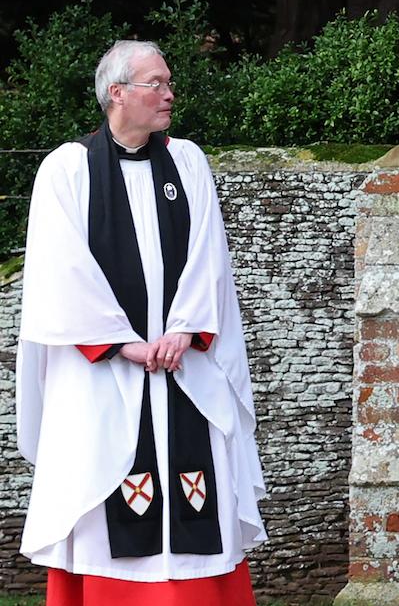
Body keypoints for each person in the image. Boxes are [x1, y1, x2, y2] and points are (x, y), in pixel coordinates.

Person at [16, 40, 266, 605]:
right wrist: (123, 344)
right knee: (106, 489)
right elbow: (60, 269)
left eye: (168, 82)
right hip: (105, 376)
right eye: (156, 83)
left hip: (183, 368)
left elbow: (210, 257)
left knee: (196, 493)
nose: (169, 94)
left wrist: (184, 329)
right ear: (117, 93)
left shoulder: (188, 161)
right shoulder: (68, 168)